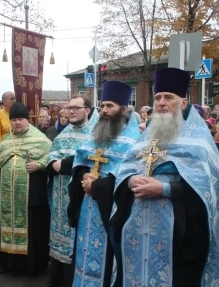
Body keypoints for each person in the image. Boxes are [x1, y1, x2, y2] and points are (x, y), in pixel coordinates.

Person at [112, 67, 219, 286]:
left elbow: (209, 189)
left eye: (169, 97)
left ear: (183, 103)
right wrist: (131, 180)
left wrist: (165, 189)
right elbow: (125, 170)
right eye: (158, 97)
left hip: (177, 234)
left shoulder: (199, 142)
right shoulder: (144, 139)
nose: (160, 102)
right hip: (136, 229)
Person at [68, 81, 140, 286]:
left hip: (111, 212)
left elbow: (129, 180)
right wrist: (84, 176)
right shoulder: (96, 138)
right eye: (102, 106)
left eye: (110, 106)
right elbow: (80, 163)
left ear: (124, 110)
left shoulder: (134, 142)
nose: (104, 111)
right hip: (86, 211)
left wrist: (98, 186)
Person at [0, 103, 52, 276]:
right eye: (14, 120)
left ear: (28, 120)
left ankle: (32, 265)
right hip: (6, 197)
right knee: (5, 225)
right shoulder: (5, 142)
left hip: (31, 197)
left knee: (33, 227)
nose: (17, 123)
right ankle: (7, 264)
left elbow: (52, 159)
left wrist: (39, 165)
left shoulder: (41, 140)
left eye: (21, 119)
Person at [46, 96, 99, 287]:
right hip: (59, 197)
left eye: (77, 108)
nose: (72, 111)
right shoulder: (62, 134)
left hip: (80, 195)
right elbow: (51, 155)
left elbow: (93, 160)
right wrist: (53, 163)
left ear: (88, 110)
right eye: (69, 108)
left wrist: (66, 164)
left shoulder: (96, 134)